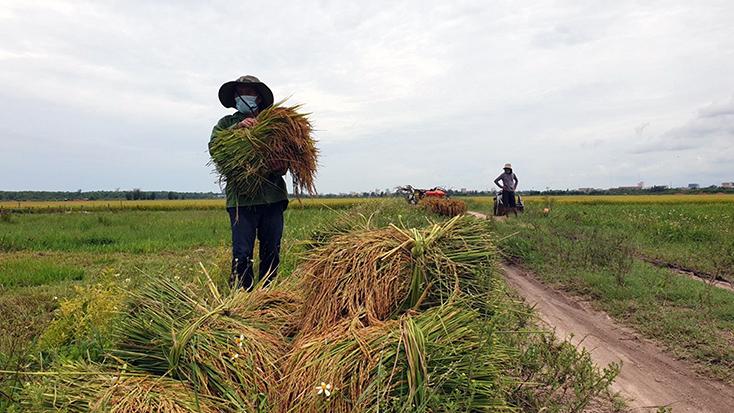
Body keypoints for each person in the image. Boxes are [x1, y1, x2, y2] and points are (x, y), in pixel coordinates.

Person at [209, 75, 289, 290]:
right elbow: (216, 149)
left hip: (271, 198)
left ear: (259, 97)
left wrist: (277, 162)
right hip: (241, 201)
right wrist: (239, 130)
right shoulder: (226, 124)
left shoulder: (273, 124)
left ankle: (268, 294)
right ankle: (243, 297)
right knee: (242, 252)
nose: (243, 95)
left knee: (271, 249)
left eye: (249, 91)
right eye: (239, 92)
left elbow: (285, 162)